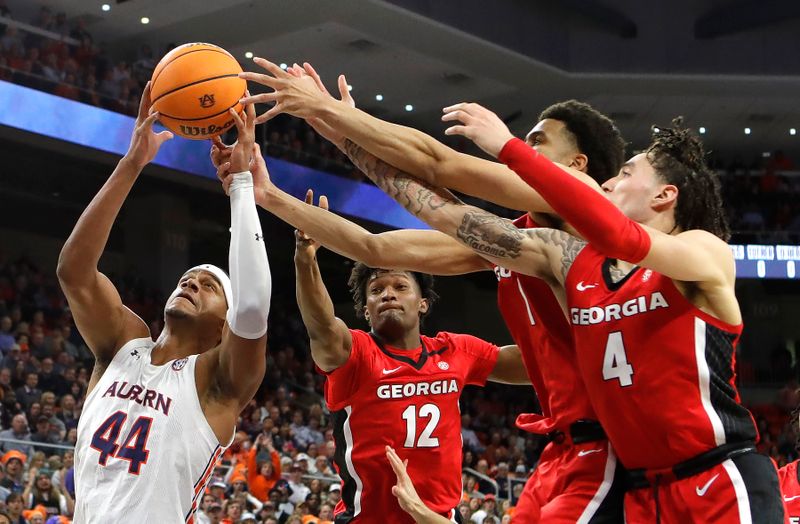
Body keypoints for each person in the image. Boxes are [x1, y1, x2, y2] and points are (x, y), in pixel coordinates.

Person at [326, 100, 782, 523]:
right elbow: (443, 216)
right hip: (641, 487)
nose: (608, 183)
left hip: (716, 473)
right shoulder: (568, 259)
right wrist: (342, 135)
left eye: (624, 174)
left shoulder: (702, 249)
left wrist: (506, 147)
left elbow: (620, 235)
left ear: (664, 195)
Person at [234, 61, 626, 521]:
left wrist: (333, 115)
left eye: (538, 141)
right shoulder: (520, 242)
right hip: (565, 442)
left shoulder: (583, 200)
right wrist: (291, 170)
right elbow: (375, 247)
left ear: (576, 165)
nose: (521, 148)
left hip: (607, 435)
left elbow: (438, 164)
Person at [56, 85, 272, 521]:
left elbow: (251, 308)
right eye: (186, 278)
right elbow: (74, 272)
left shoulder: (217, 381)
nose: (191, 283)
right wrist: (132, 163)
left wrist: (242, 185)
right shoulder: (124, 342)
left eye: (208, 286)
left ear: (223, 329)